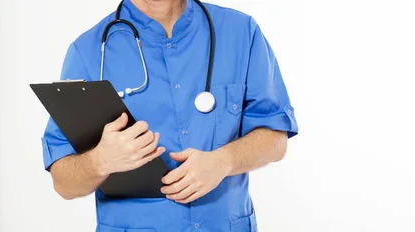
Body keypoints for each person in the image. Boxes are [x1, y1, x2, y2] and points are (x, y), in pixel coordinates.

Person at [41, 0, 299, 231]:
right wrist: (100, 160)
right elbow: (63, 182)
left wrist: (224, 161)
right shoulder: (89, 52)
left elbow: (275, 139)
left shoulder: (241, 32)